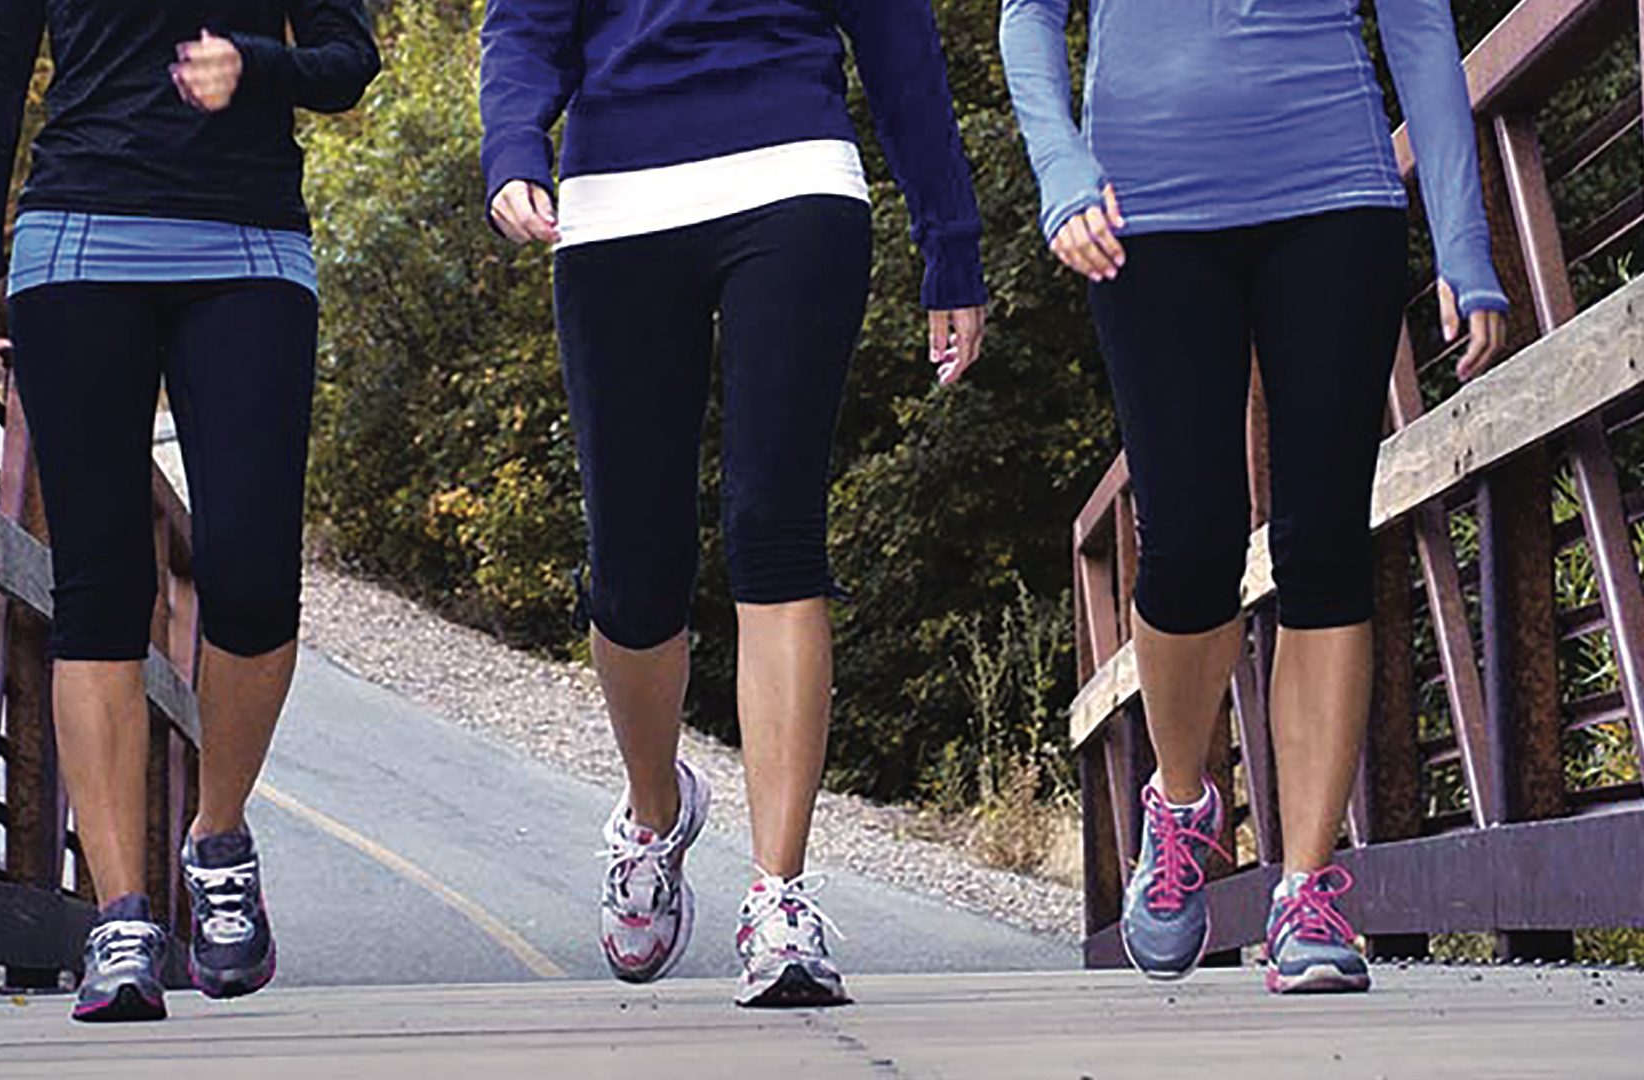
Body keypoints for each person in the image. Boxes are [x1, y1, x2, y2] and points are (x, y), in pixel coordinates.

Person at [480, 0, 989, 1007]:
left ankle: (780, 897)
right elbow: (524, 21)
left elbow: (900, 47)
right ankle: (653, 808)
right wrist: (510, 144)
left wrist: (951, 239)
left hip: (793, 174)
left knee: (775, 529)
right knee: (633, 567)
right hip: (616, 200)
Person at [1000, 0, 1508, 993]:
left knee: (1325, 542)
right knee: (1190, 543)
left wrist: (1464, 242)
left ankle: (1309, 888)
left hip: (1334, 194)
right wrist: (1060, 172)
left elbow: (1418, 27)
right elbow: (1029, 18)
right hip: (1143, 214)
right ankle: (1184, 802)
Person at [0, 0, 378, 1022]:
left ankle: (216, 842)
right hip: (78, 234)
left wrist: (258, 66)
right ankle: (122, 917)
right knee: (100, 584)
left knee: (254, 573)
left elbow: (348, 59)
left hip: (250, 242)